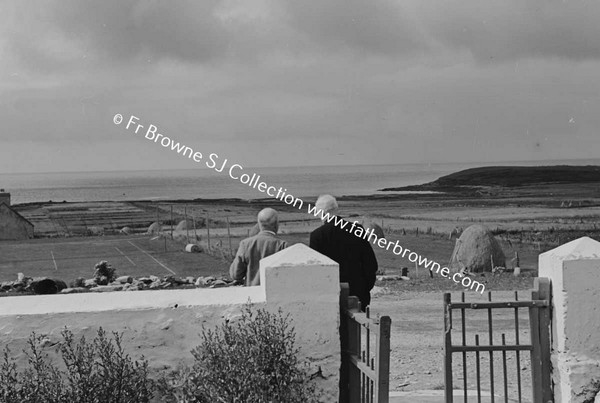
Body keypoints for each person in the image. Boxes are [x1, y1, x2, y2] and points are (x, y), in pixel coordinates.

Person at [309, 194, 378, 311]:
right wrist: (365, 289)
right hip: (357, 293)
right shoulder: (357, 230)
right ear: (336, 210)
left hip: (329, 295)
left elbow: (315, 271)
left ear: (322, 213)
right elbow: (371, 264)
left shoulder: (317, 236)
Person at [230, 208, 288, 286]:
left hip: (252, 293)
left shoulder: (245, 244)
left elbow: (235, 274)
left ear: (258, 224)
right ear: (276, 224)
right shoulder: (282, 245)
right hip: (275, 292)